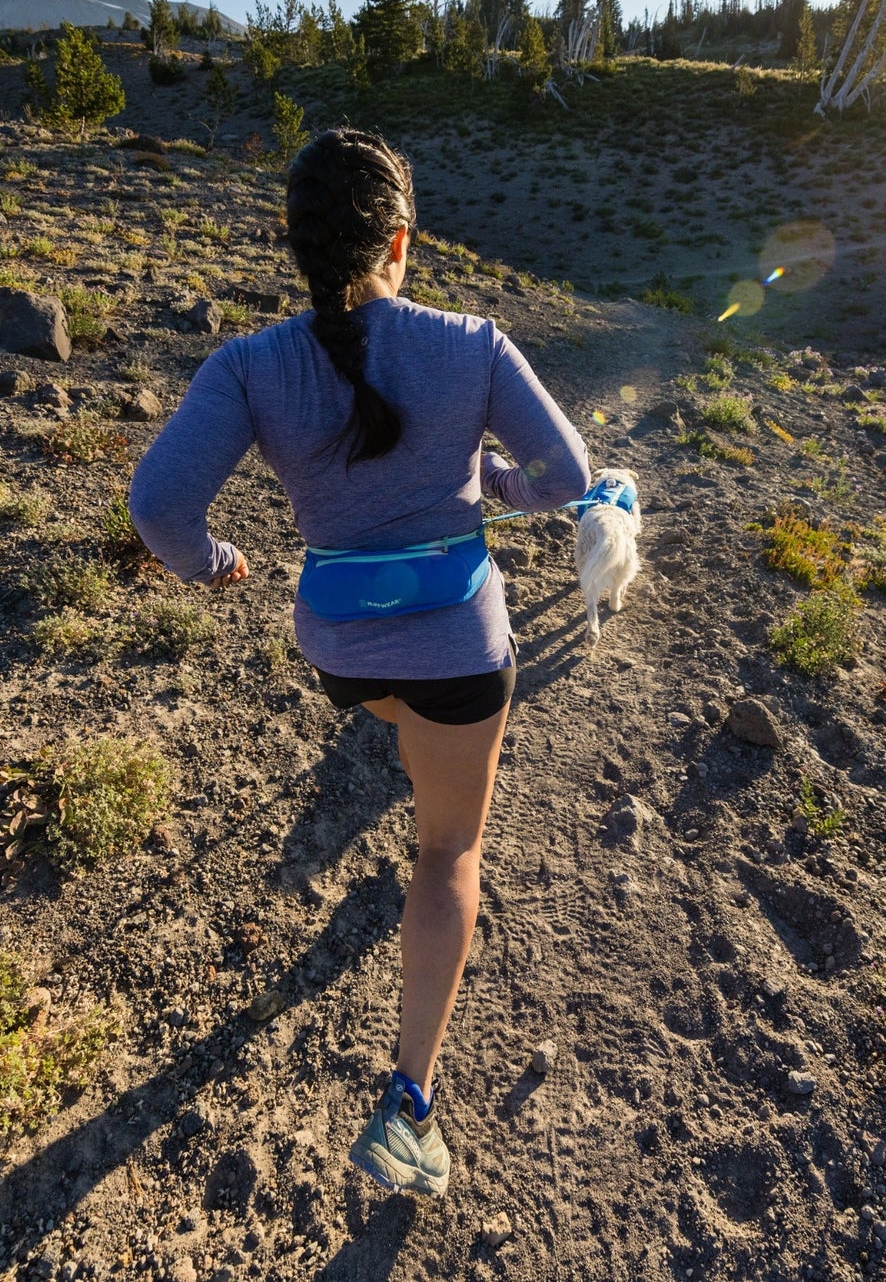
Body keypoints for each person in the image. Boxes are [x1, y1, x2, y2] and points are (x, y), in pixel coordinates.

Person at [129, 127, 588, 1197]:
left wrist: (218, 562)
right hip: (459, 654)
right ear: (400, 239)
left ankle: (408, 734)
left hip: (338, 649)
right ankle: (409, 1109)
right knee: (448, 857)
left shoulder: (248, 364)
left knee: (393, 710)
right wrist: (494, 491)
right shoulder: (471, 343)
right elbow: (564, 473)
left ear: (299, 247)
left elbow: (157, 506)